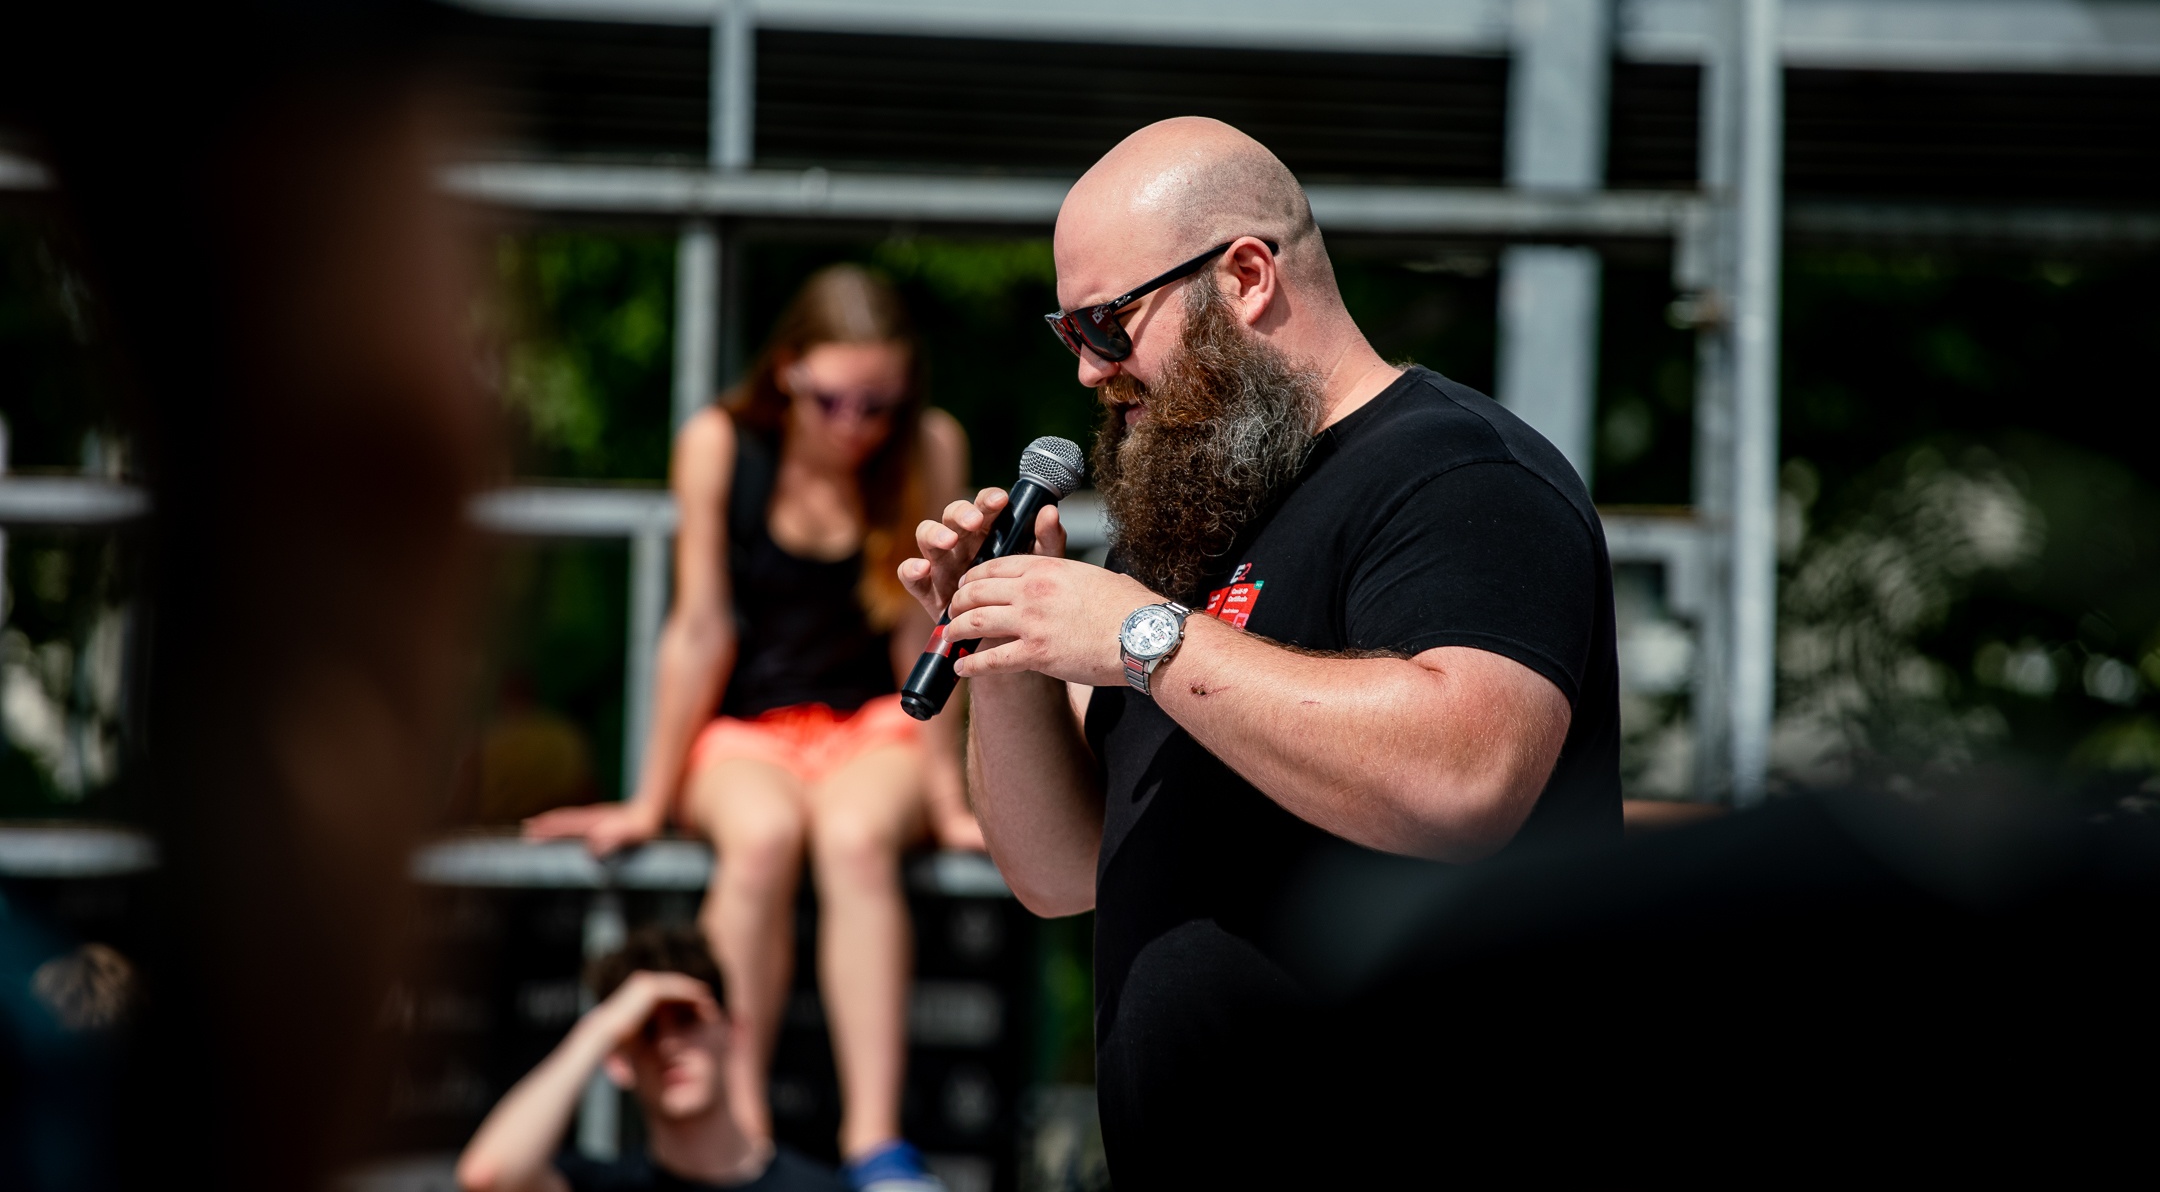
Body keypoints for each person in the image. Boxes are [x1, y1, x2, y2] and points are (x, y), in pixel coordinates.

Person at [902, 117, 1622, 1184]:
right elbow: (1055, 874)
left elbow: (1465, 780)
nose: (1091, 369)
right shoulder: (1195, 507)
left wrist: (1142, 636)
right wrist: (1000, 640)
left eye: (1108, 322)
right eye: (1069, 332)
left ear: (1244, 277)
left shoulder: (1464, 473)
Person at [528, 267, 977, 1190]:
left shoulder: (929, 445)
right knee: (764, 837)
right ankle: (739, 1140)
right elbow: (699, 628)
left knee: (854, 839)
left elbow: (923, 630)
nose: (856, 425)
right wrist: (648, 801)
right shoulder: (719, 445)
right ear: (785, 371)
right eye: (833, 401)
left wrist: (949, 801)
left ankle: (875, 1148)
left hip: (873, 724)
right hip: (748, 729)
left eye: (879, 405)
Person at [456, 924, 843, 1192]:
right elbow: (489, 1175)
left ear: (734, 1033)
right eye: (645, 1030)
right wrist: (602, 1029)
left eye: (687, 1019)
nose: (669, 1046)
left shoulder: (818, 1188)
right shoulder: (603, 1186)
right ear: (618, 1062)